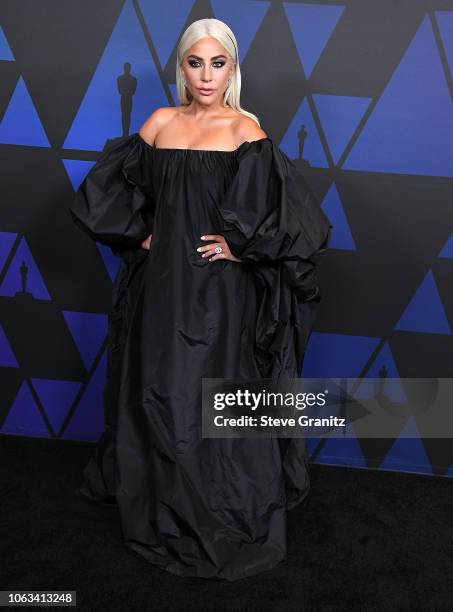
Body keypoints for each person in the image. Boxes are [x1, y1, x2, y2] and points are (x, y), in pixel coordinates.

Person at [70, 18, 332, 581]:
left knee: (213, 397)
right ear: (181, 67)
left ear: (233, 69)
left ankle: (217, 505)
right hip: (161, 288)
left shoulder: (245, 130)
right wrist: (139, 233)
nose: (207, 75)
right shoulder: (160, 122)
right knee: (161, 392)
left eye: (218, 63)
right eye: (196, 62)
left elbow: (295, 219)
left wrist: (243, 250)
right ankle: (163, 502)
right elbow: (105, 194)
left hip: (220, 298)